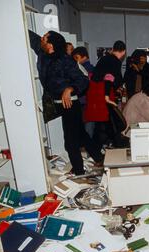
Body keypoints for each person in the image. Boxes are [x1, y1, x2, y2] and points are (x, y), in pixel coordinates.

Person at [28, 30, 103, 176]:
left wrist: (70, 89)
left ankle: (78, 170)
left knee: (70, 141)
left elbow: (83, 80)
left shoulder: (65, 60)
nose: (41, 40)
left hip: (70, 105)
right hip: (55, 102)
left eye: (44, 38)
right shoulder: (42, 52)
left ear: (50, 45)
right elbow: (32, 37)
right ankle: (99, 157)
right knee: (81, 133)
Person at [87, 40, 126, 147]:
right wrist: (107, 97)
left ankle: (99, 148)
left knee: (100, 123)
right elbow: (109, 78)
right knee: (103, 123)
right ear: (123, 52)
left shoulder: (105, 58)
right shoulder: (115, 61)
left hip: (95, 92)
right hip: (102, 93)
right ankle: (97, 149)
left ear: (113, 49)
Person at [72, 47, 95, 137]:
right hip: (90, 101)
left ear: (84, 57)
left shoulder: (82, 69)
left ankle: (87, 146)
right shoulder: (92, 68)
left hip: (84, 101)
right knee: (89, 125)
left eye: (76, 58)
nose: (75, 60)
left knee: (86, 126)